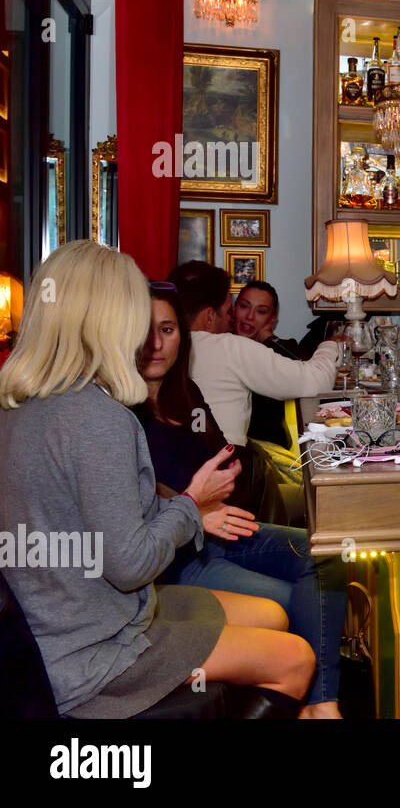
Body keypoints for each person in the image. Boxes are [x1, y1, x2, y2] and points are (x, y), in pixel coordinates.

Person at [0, 241, 314, 717]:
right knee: (295, 658)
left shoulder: (19, 405)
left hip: (53, 631)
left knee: (272, 613)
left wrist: (186, 510)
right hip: (94, 653)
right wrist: (192, 504)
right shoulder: (96, 416)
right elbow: (130, 565)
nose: (143, 332)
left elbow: (99, 530)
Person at [134, 284, 346, 719]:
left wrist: (208, 498)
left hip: (215, 531)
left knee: (325, 552)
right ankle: (313, 704)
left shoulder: (186, 393)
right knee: (291, 600)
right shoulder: (120, 407)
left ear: (184, 336)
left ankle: (320, 704)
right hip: (171, 556)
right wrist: (191, 504)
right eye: (146, 330)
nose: (157, 343)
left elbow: (224, 462)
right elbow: (138, 497)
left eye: (169, 329)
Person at [165, 260, 341, 447]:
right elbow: (316, 380)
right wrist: (331, 343)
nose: (231, 318)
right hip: (222, 465)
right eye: (228, 311)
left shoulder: (154, 347)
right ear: (209, 316)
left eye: (261, 311)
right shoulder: (229, 348)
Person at [235, 280, 302, 449]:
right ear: (234, 308)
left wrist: (269, 339)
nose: (249, 317)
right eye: (244, 306)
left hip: (270, 451)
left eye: (261, 311)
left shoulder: (280, 349)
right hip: (230, 447)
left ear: (272, 319)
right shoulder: (217, 345)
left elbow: (304, 372)